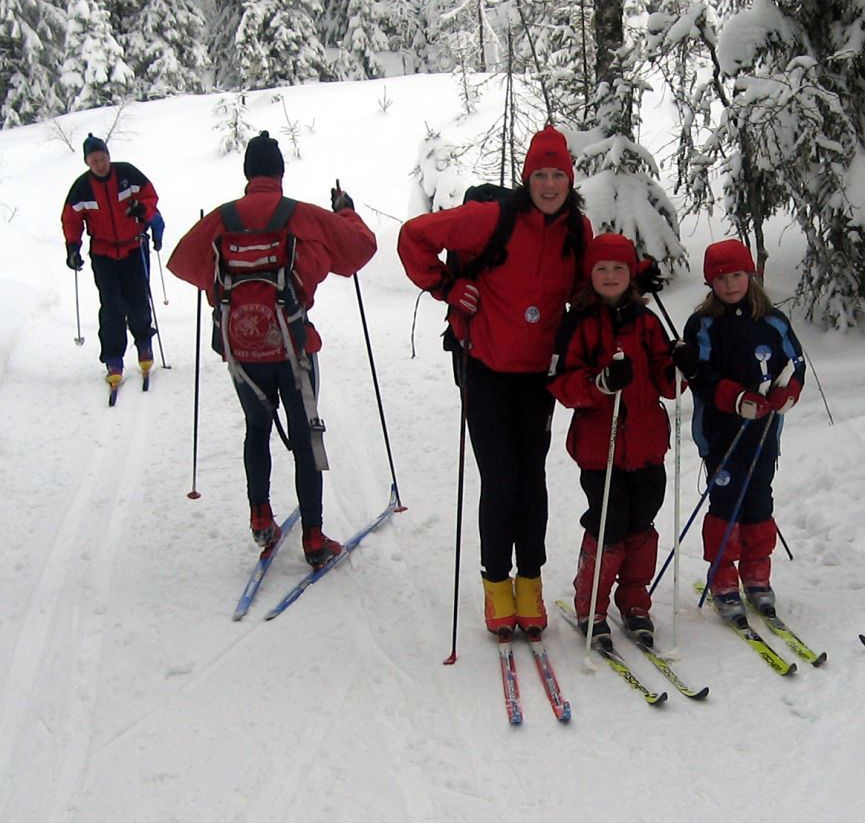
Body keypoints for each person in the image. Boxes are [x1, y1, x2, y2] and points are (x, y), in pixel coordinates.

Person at [398, 125, 593, 635]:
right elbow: (413, 238)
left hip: (538, 377)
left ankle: (529, 583)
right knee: (502, 480)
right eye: (540, 175)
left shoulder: (577, 230)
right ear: (527, 178)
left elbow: (590, 287)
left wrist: (632, 281)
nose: (549, 185)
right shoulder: (492, 218)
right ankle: (496, 586)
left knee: (532, 481)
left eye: (557, 175)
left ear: (569, 180)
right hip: (484, 368)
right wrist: (447, 286)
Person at [167, 131, 377, 566]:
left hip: (242, 352)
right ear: (281, 172)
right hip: (293, 347)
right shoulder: (300, 215)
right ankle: (314, 539)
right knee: (306, 437)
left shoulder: (222, 219)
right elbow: (359, 250)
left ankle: (261, 519)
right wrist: (345, 211)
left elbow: (182, 263)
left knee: (256, 428)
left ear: (247, 172)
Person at [548, 233, 679, 647]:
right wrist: (599, 383)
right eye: (601, 269)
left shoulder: (647, 322)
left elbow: (668, 382)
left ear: (630, 274)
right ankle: (591, 604)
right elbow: (560, 382)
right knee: (610, 520)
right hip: (598, 448)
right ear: (590, 275)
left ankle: (635, 600)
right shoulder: (577, 323)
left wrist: (680, 366)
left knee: (643, 517)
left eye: (618, 269)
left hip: (646, 444)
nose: (609, 276)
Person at [681, 239, 805, 621]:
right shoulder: (703, 324)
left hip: (764, 431)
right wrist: (736, 399)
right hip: (721, 433)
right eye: (721, 278)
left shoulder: (773, 321)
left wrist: (789, 392)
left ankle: (756, 575)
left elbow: (795, 364)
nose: (730, 284)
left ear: (750, 275)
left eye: (736, 275)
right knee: (726, 502)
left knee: (758, 499)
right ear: (710, 283)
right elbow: (699, 375)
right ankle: (723, 577)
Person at [62, 133, 159, 386]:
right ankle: (114, 358)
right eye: (94, 160)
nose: (99, 164)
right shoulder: (81, 188)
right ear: (87, 162)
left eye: (102, 158)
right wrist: (73, 247)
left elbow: (149, 196)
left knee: (138, 299)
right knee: (112, 305)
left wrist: (143, 210)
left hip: (133, 247)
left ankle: (144, 342)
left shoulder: (127, 173)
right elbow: (71, 219)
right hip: (103, 253)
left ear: (108, 156)